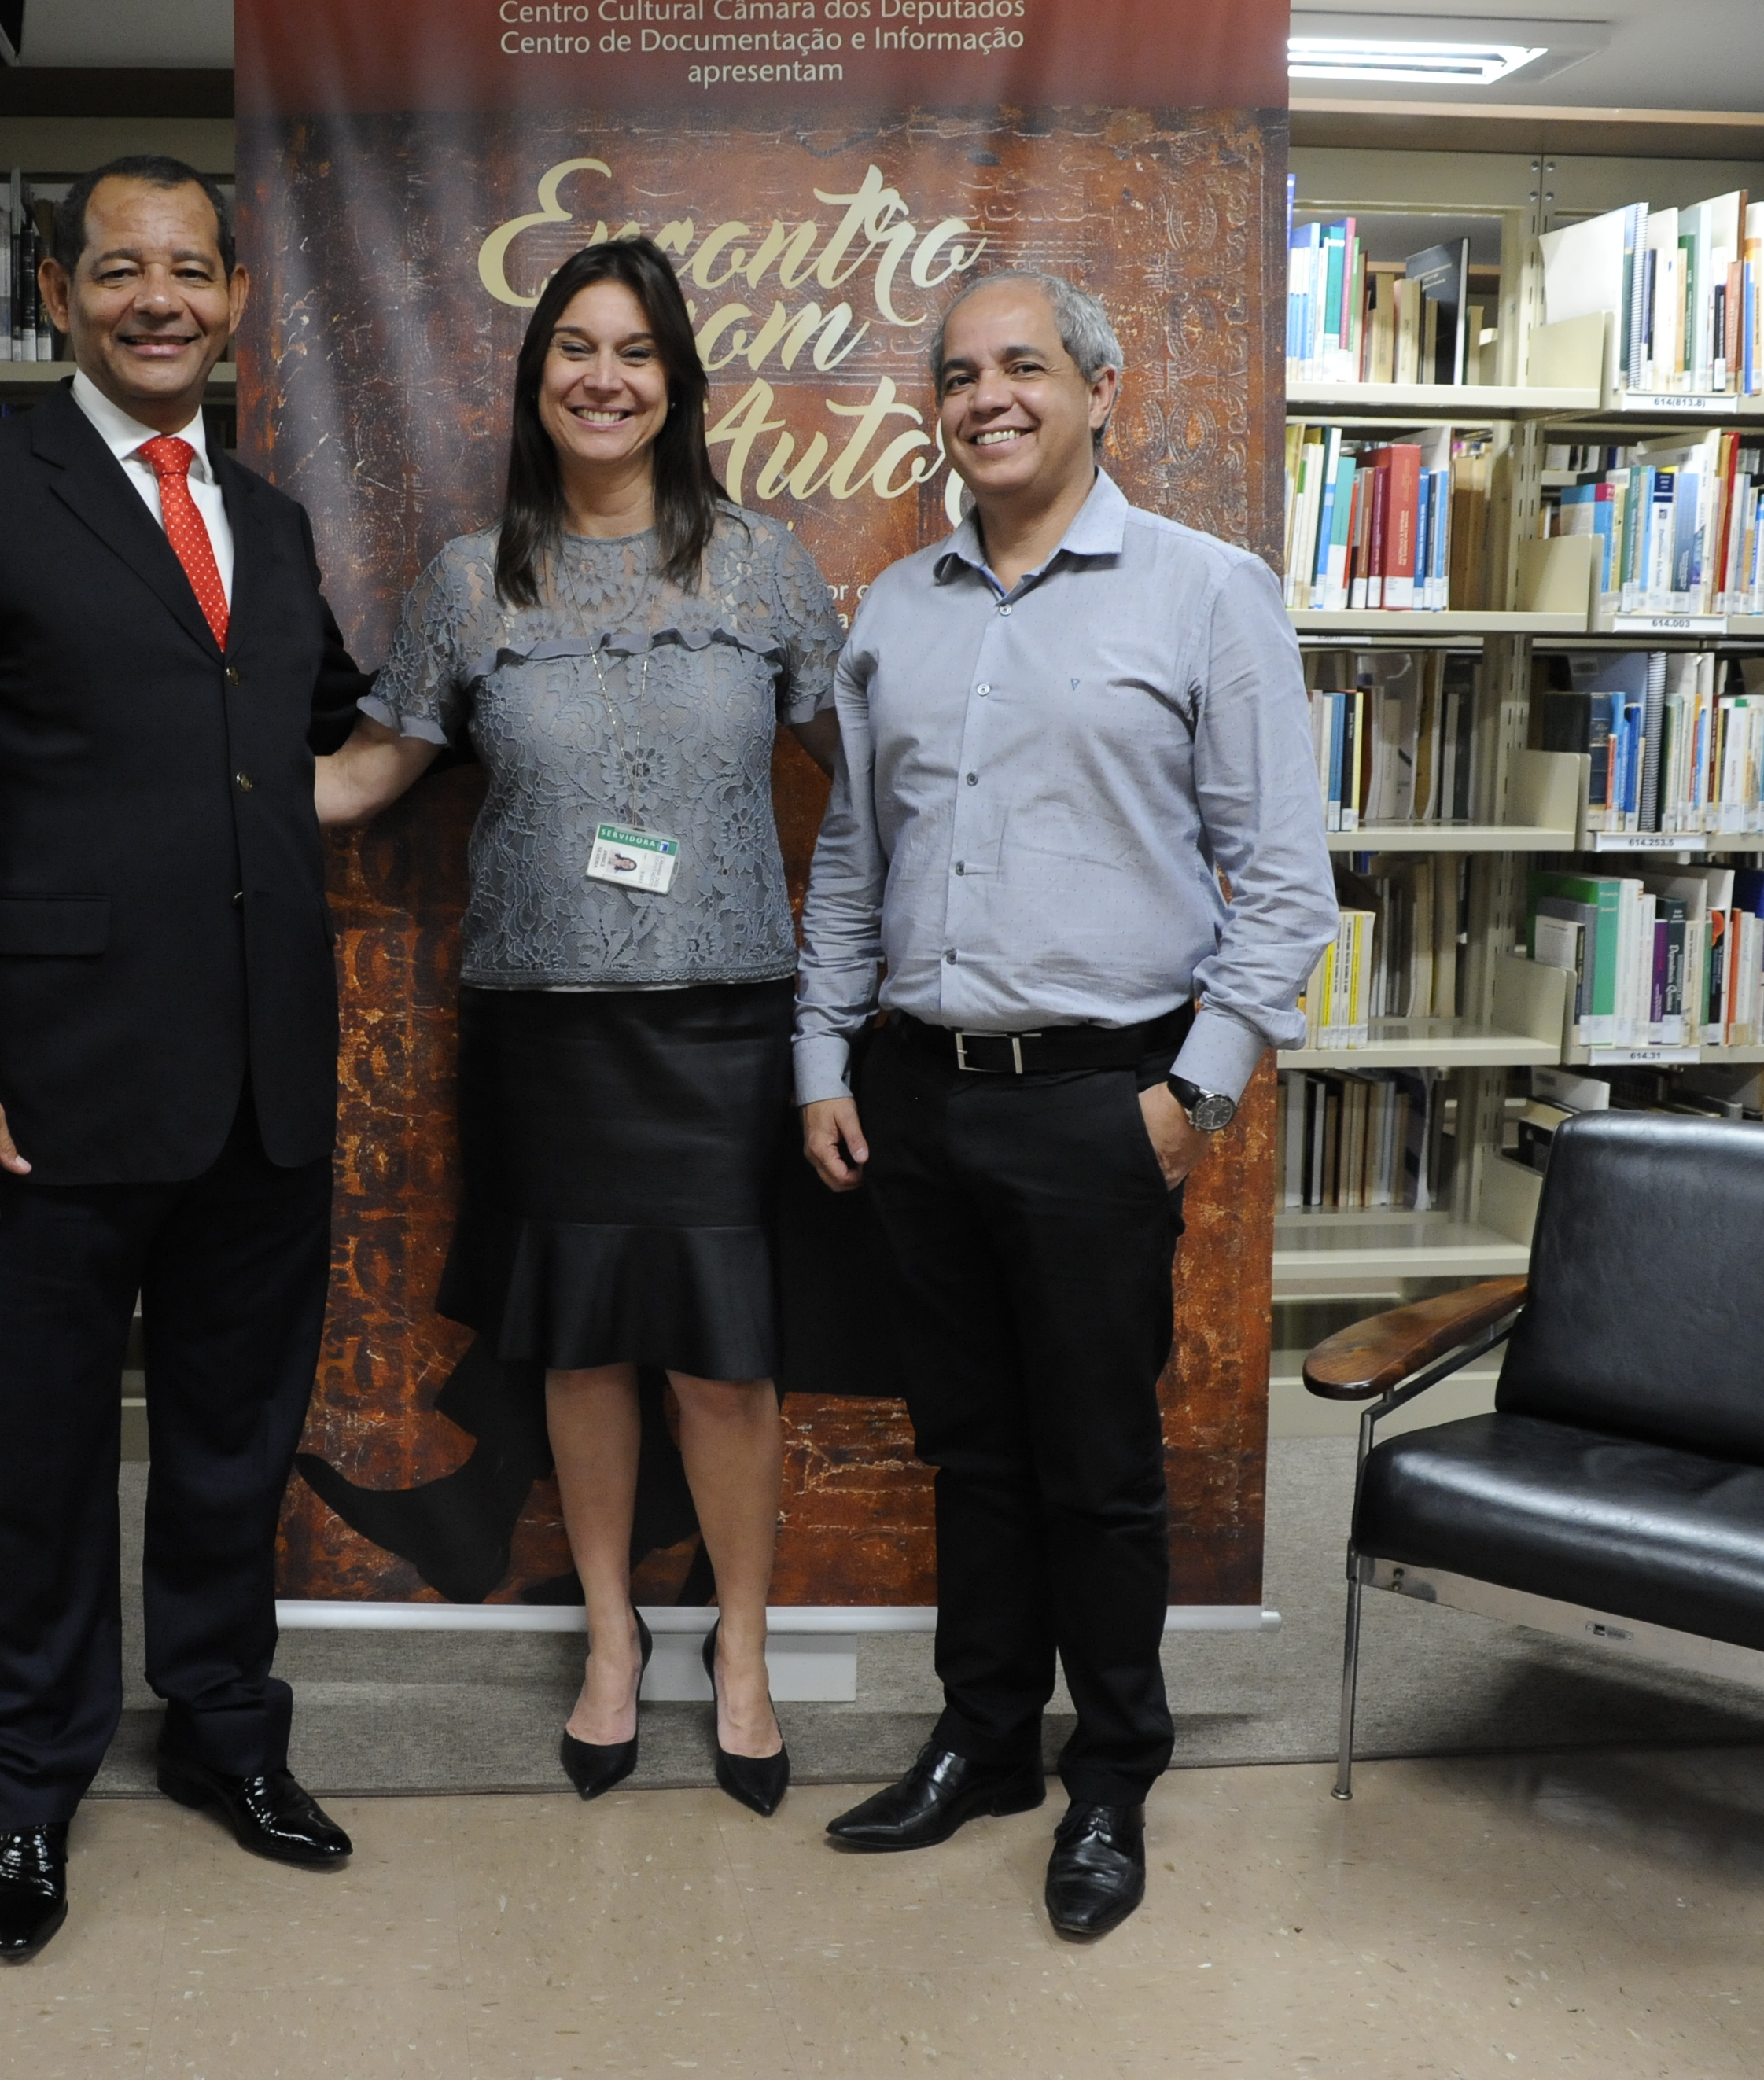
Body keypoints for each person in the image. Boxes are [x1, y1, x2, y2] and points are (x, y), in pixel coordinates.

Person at [0, 153, 368, 1961]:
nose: (160, 298)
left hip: (262, 1082)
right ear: (59, 294)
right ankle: (29, 1790)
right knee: (43, 1459)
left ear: (234, 303)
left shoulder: (272, 526)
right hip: (42, 1092)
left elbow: (308, 742)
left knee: (234, 1446)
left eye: (192, 271)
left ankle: (224, 1736)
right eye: (121, 268)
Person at [792, 267, 1338, 1939]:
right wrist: (822, 1056)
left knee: (1096, 1463)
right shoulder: (892, 610)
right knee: (968, 1451)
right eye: (957, 374)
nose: (988, 397)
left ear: (1103, 389)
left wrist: (1193, 1097)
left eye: (1023, 366)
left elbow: (1283, 883)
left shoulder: (1204, 595)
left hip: (1104, 1103)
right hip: (918, 1102)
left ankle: (1111, 1769)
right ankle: (983, 1739)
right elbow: (847, 861)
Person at [318, 236, 845, 1817]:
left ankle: (737, 1652)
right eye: (573, 349)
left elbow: (880, 777)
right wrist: (156, 788)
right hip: (546, 1038)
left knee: (721, 1371)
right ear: (537, 378)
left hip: (722, 1035)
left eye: (632, 351)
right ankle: (610, 1640)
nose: (601, 377)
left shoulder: (761, 568)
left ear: (676, 383)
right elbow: (357, 778)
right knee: (583, 1352)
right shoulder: (468, 585)